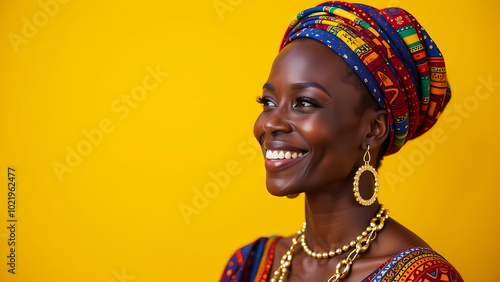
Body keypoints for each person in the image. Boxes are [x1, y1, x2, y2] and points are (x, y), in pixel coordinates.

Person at [219, 1, 463, 281]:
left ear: (373, 129)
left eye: (304, 102)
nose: (271, 123)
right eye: (268, 101)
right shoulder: (249, 265)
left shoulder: (423, 277)